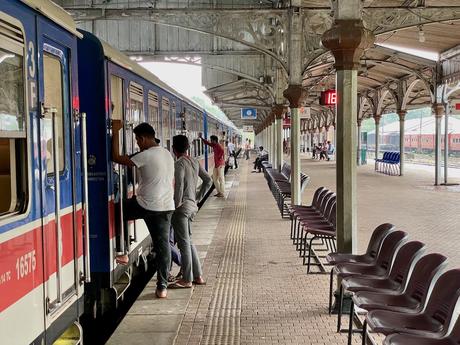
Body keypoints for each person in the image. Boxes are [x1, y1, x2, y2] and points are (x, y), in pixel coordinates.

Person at [111, 120, 174, 299]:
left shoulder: (146, 155)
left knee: (118, 210)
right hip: (166, 207)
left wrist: (115, 132)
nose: (138, 143)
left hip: (147, 205)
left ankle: (122, 251)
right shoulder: (166, 153)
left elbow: (116, 158)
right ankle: (162, 287)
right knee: (163, 247)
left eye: (138, 140)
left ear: (144, 138)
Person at [170, 135, 212, 288]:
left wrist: (176, 205)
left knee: (183, 244)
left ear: (174, 149)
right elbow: (209, 180)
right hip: (192, 206)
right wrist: (197, 198)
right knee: (189, 240)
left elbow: (179, 186)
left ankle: (187, 279)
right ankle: (198, 276)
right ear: (187, 147)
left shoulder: (179, 164)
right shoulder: (194, 161)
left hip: (182, 209)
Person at [199, 133, 225, 197]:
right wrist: (201, 138)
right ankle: (219, 192)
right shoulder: (214, 145)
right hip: (216, 165)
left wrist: (219, 157)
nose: (210, 141)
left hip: (220, 165)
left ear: (214, 140)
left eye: (211, 140)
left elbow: (222, 151)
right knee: (215, 179)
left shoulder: (219, 146)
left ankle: (222, 192)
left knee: (221, 179)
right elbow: (207, 143)